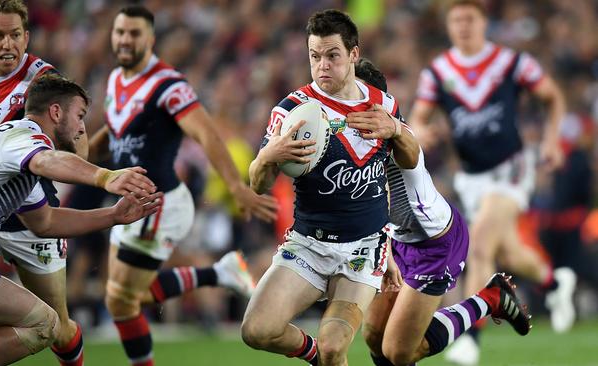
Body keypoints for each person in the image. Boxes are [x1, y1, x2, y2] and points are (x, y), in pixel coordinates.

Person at [86, 6, 278, 365]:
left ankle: (219, 273)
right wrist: (78, 158)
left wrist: (236, 186)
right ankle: (219, 272)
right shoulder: (115, 79)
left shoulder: (168, 85)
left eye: (134, 33)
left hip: (158, 204)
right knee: (121, 301)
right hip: (130, 202)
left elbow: (206, 133)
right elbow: (115, 132)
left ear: (150, 39)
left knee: (122, 299)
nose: (125, 40)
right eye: (120, 32)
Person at [241, 10, 420, 366]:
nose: (322, 65)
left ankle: (325, 354)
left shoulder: (383, 104)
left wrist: (397, 130)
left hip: (363, 250)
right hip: (308, 244)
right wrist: (267, 156)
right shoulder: (293, 110)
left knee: (336, 346)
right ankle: (313, 354)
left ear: (353, 54)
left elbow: (410, 161)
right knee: (256, 331)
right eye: (314, 56)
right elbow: (258, 184)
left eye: (332, 55)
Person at [0, 74, 162, 366]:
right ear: (56, 112)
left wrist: (113, 216)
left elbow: (44, 222)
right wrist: (106, 176)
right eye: (80, 115)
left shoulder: (11, 156)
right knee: (44, 323)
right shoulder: (24, 138)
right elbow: (46, 161)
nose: (83, 128)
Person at [409, 1, 576, 364]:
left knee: (480, 246)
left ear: (484, 22)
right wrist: (425, 131)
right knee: (507, 252)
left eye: (469, 18)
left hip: (511, 167)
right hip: (471, 178)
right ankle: (554, 283)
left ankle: (471, 337)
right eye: (456, 20)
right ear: (448, 26)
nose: (463, 26)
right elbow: (418, 119)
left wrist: (550, 139)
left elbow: (552, 97)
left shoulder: (511, 63)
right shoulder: (437, 72)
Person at [355, 58, 532, 366]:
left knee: (399, 351)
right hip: (399, 240)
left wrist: (396, 127)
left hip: (435, 243)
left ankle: (489, 298)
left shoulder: (392, 136)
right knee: (373, 335)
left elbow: (408, 145)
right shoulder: (349, 137)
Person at [0, 1, 88, 364]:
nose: (8, 44)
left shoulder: (44, 80)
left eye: (15, 36)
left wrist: (82, 166)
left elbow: (76, 134)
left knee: (58, 327)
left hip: (32, 218)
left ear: (27, 37)